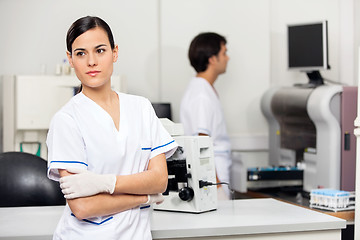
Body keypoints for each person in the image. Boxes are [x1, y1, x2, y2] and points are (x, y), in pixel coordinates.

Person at [46, 16, 178, 240]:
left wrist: (103, 183)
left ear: (114, 52)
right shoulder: (67, 120)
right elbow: (83, 207)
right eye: (80, 53)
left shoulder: (141, 108)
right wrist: (144, 197)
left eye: (100, 50)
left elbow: (159, 181)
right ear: (70, 59)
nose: (91, 62)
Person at [180, 32, 232, 199]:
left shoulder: (204, 89)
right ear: (212, 59)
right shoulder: (201, 95)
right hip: (213, 181)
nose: (228, 58)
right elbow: (201, 145)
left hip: (217, 177)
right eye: (224, 53)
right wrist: (216, 188)